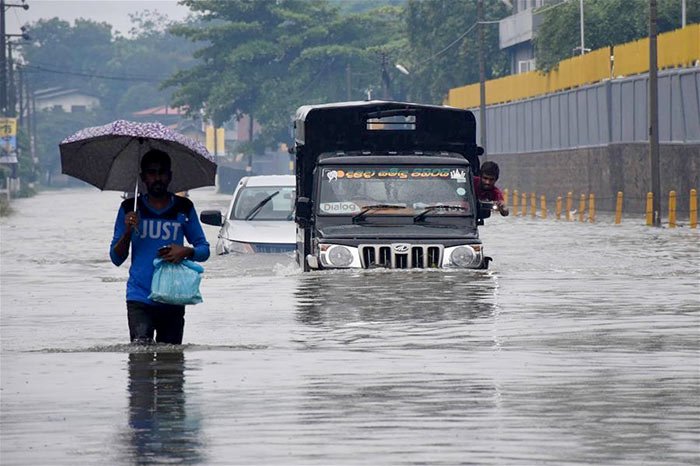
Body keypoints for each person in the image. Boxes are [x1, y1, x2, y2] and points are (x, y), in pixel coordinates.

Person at [110, 149, 210, 345]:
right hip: (139, 296)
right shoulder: (130, 209)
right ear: (143, 178)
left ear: (170, 176)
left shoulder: (183, 207)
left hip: (173, 296)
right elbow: (116, 258)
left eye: (162, 172)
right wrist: (128, 231)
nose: (157, 178)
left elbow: (204, 250)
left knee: (171, 365)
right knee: (140, 359)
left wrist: (186, 251)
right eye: (151, 172)